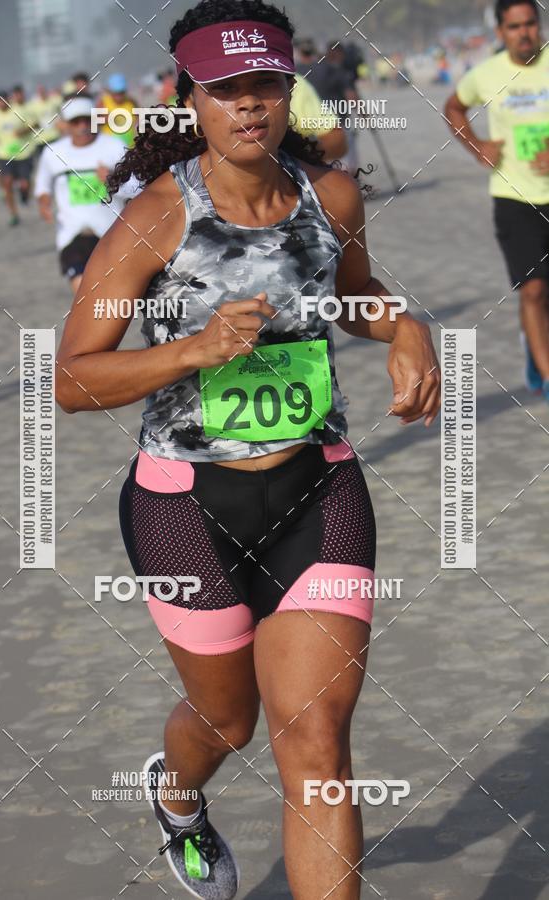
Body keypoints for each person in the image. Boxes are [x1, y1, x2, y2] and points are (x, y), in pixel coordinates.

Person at [55, 1, 440, 897]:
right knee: (226, 722)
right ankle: (179, 798)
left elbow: (353, 292)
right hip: (186, 508)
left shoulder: (330, 195)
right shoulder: (155, 219)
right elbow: (73, 381)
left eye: (264, 84)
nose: (248, 105)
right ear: (188, 98)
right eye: (224, 89)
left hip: (319, 492)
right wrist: (190, 348)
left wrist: (405, 325)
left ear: (286, 90)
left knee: (315, 740)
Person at [445, 0, 549, 402]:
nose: (524, 33)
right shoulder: (485, 75)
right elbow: (454, 106)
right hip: (514, 197)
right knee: (534, 290)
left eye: (529, 24)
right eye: (514, 27)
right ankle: (544, 372)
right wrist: (477, 146)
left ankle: (536, 344)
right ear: (501, 32)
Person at [34, 95, 130, 294]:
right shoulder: (53, 152)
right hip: (72, 234)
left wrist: (113, 180)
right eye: (76, 122)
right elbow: (42, 184)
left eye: (88, 120)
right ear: (65, 125)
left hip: (111, 234)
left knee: (112, 296)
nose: (83, 126)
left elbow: (139, 187)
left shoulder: (115, 146)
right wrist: (44, 203)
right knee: (82, 290)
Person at [295, 38, 359, 173]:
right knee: (346, 168)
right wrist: (364, 114)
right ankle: (349, 189)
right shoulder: (331, 69)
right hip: (338, 125)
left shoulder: (295, 73)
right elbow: (351, 96)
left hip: (308, 130)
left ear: (300, 53)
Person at [0, 90, 35, 226]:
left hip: (23, 153)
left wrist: (23, 131)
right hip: (4, 155)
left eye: (4, 100)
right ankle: (14, 214)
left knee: (25, 184)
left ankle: (24, 193)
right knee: (7, 183)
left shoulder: (18, 110)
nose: (1, 103)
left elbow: (33, 124)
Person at [99, 73, 138, 147]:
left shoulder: (131, 102)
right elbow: (93, 122)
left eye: (121, 92)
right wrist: (106, 119)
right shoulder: (103, 102)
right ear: (110, 91)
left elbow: (139, 121)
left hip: (129, 146)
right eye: (116, 93)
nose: (119, 96)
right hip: (109, 147)